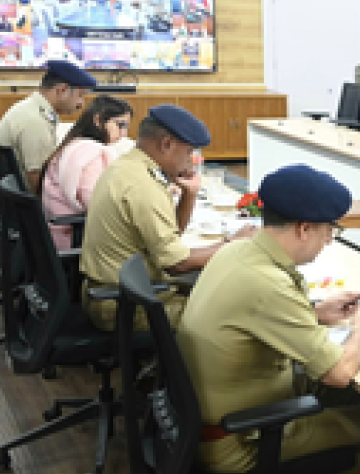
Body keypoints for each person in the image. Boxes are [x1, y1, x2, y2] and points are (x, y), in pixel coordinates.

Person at [177, 164, 360, 474]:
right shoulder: (269, 284)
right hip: (237, 441)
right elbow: (338, 372)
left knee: (347, 394)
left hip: (209, 417)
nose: (329, 240)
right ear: (304, 229)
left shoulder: (236, 251)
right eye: (329, 230)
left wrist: (315, 314)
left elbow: (253, 317)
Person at [80, 104, 256, 331]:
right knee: (238, 316)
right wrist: (234, 243)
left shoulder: (129, 166)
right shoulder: (142, 185)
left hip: (124, 291)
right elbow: (176, 264)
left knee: (218, 290)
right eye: (188, 152)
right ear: (166, 144)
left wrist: (189, 194)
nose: (190, 161)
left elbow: (171, 237)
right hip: (127, 305)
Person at [39, 95, 135, 250]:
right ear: (98, 120)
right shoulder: (91, 154)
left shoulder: (73, 143)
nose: (124, 133)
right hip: (74, 238)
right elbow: (98, 205)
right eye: (120, 125)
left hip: (56, 235)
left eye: (126, 127)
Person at [0, 60, 96, 191]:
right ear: (62, 90)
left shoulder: (32, 108)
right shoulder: (35, 122)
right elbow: (38, 184)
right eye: (80, 95)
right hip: (25, 199)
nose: (81, 103)